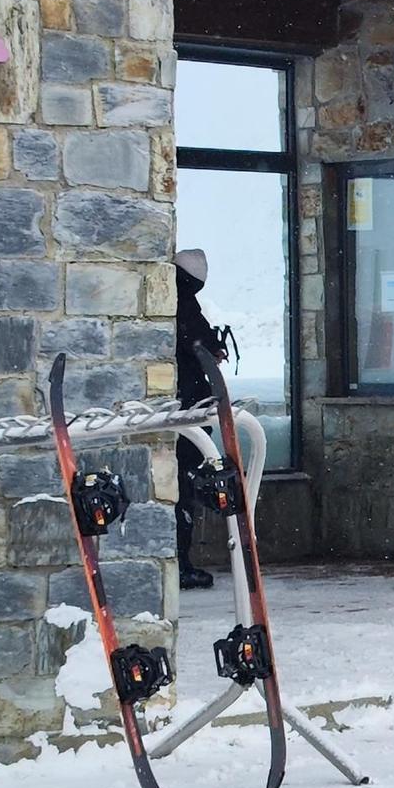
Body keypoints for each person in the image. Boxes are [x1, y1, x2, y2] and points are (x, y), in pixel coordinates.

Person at [173, 248, 225, 591]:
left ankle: (178, 559)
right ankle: (181, 561)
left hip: (181, 403)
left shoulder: (175, 298)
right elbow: (198, 341)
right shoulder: (185, 304)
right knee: (183, 486)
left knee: (179, 485)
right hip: (187, 406)